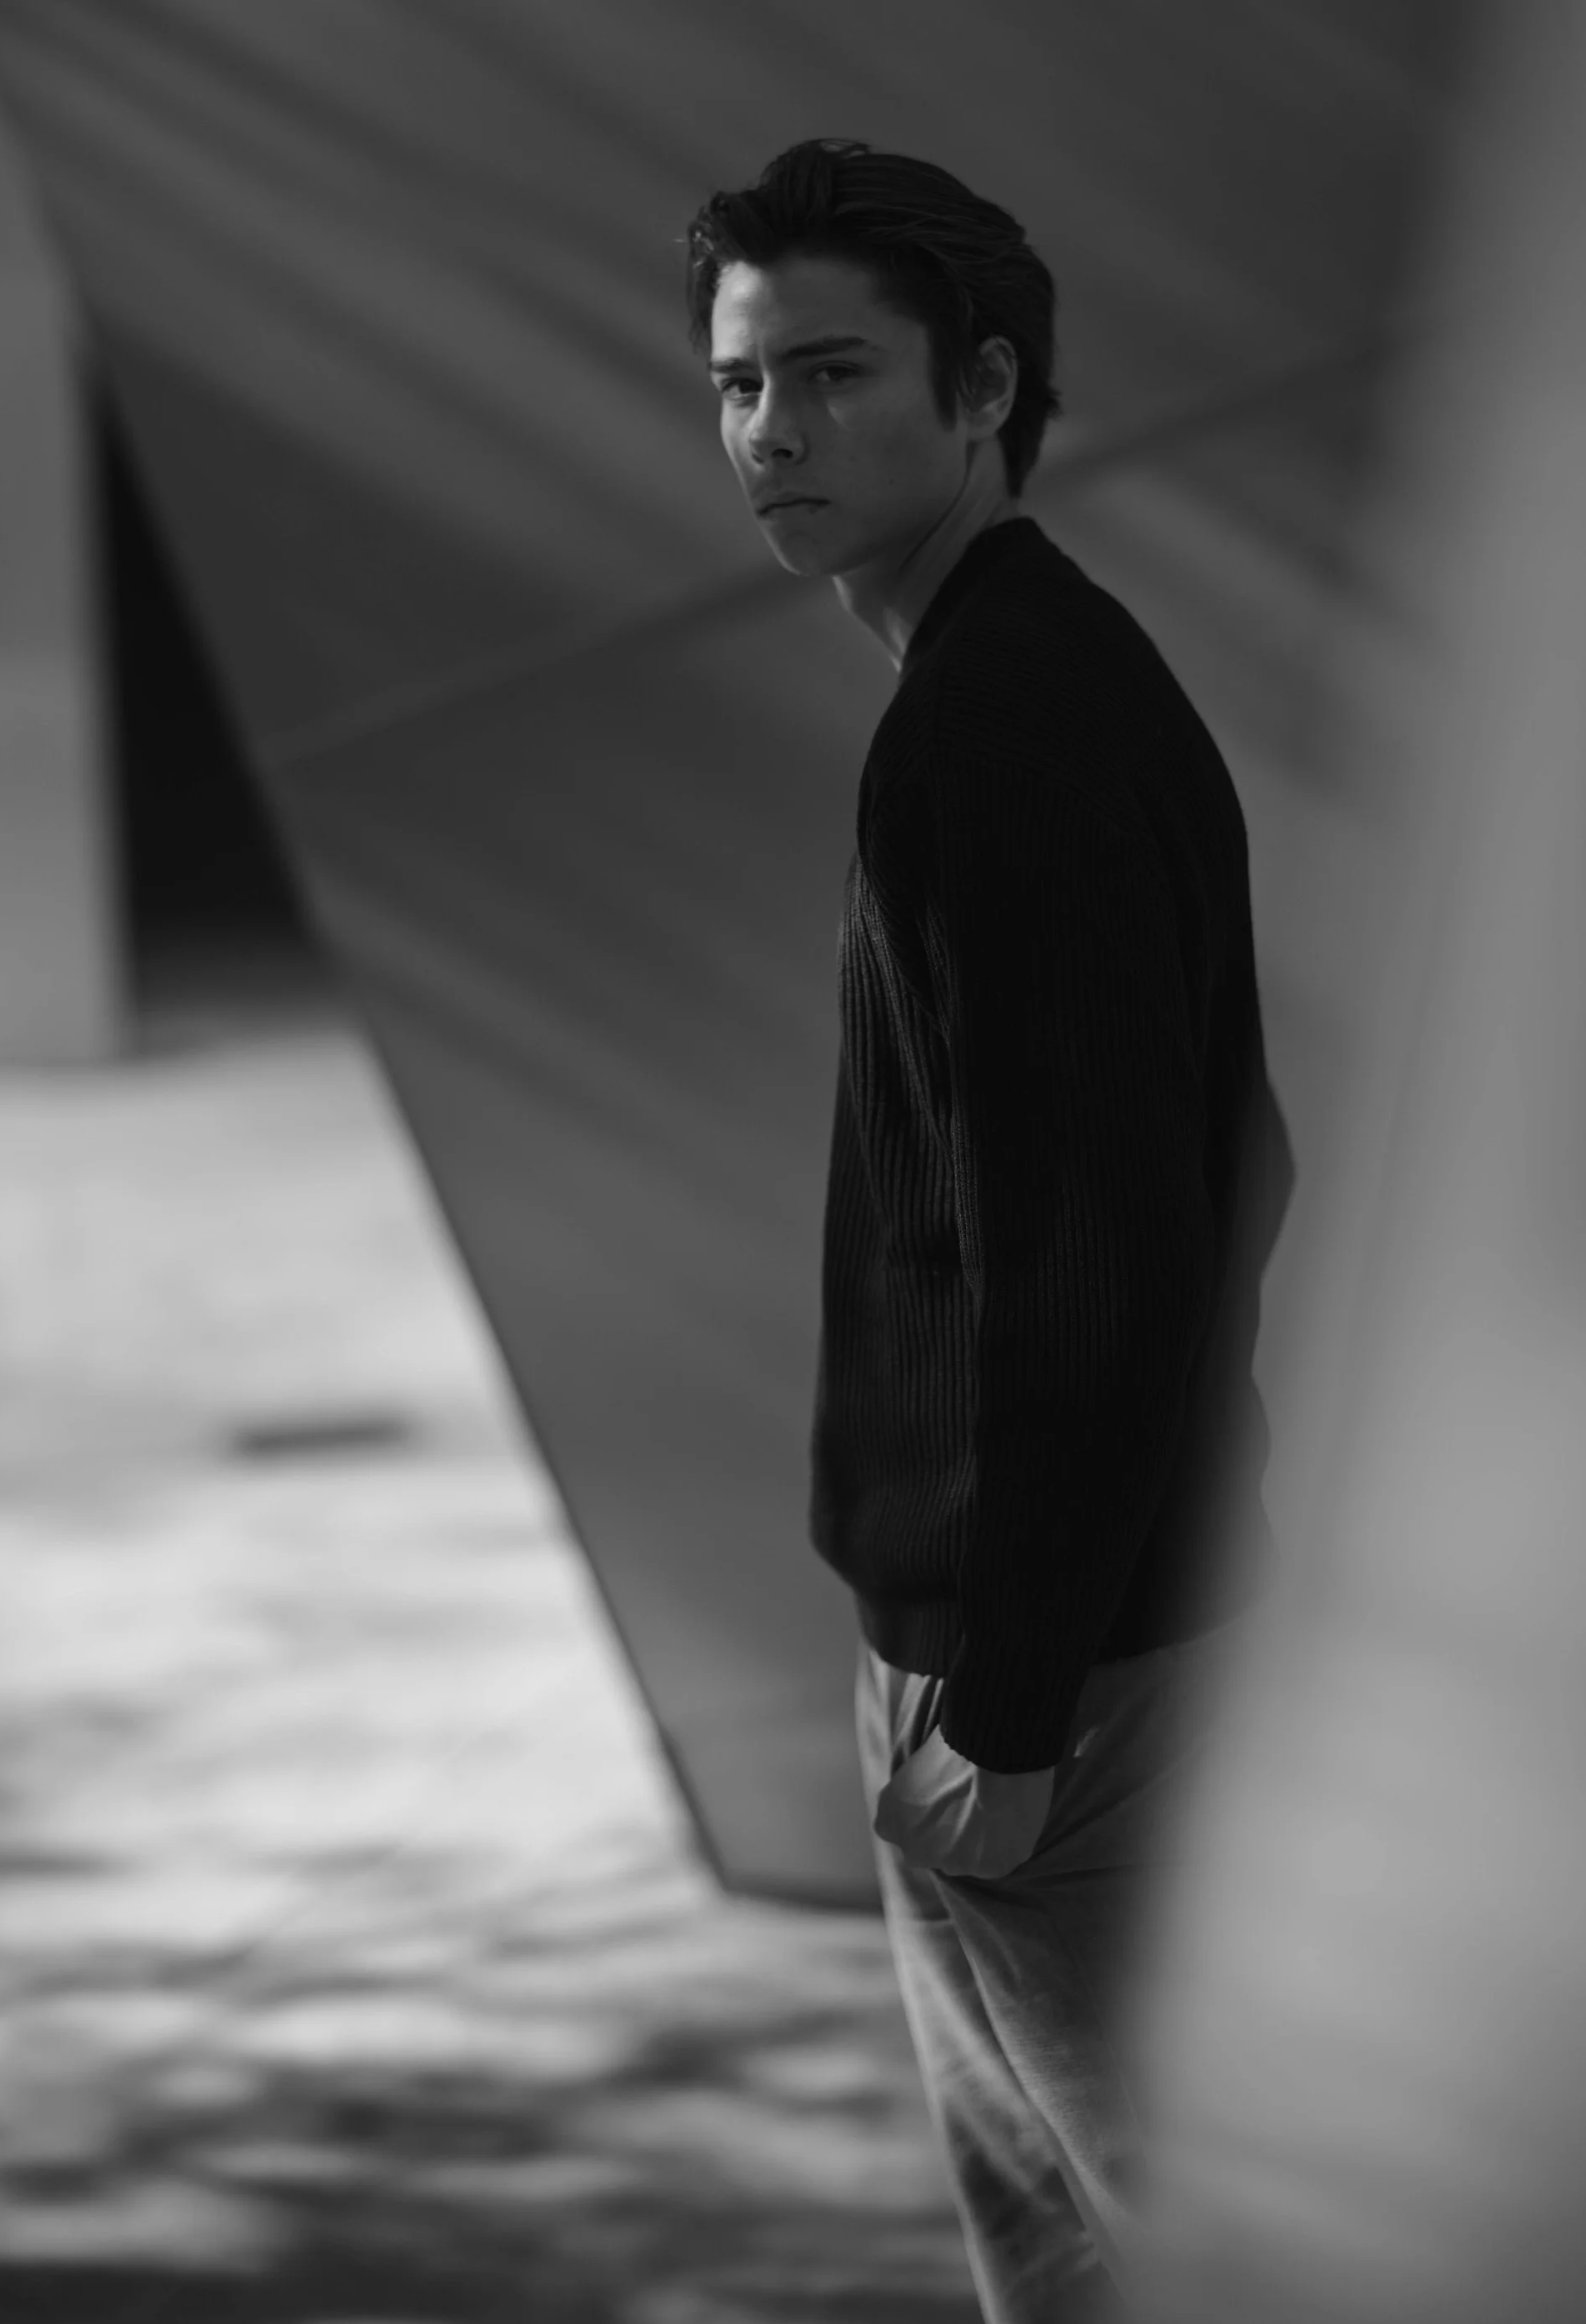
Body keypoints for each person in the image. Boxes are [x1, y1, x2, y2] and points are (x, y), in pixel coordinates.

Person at [682, 139, 1295, 2321]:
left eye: (834, 375)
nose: (772, 432)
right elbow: (1228, 1167)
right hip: (1034, 1641)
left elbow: (1098, 1245)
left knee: (1170, 2248)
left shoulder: (1002, 723)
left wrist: (1012, 1699)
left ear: (984, 391)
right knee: (1064, 2249)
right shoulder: (1008, 678)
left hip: (1053, 1677)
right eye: (741, 384)